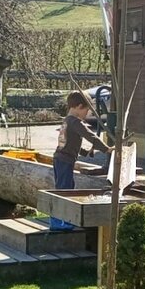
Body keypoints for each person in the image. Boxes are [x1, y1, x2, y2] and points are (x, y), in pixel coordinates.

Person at [50, 89, 111, 230]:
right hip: (65, 160)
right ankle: (60, 222)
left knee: (64, 187)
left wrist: (85, 152)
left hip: (59, 158)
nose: (87, 113)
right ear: (78, 107)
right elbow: (90, 135)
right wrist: (106, 148)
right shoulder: (76, 122)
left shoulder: (67, 120)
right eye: (87, 110)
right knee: (65, 191)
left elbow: (69, 143)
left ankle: (61, 220)